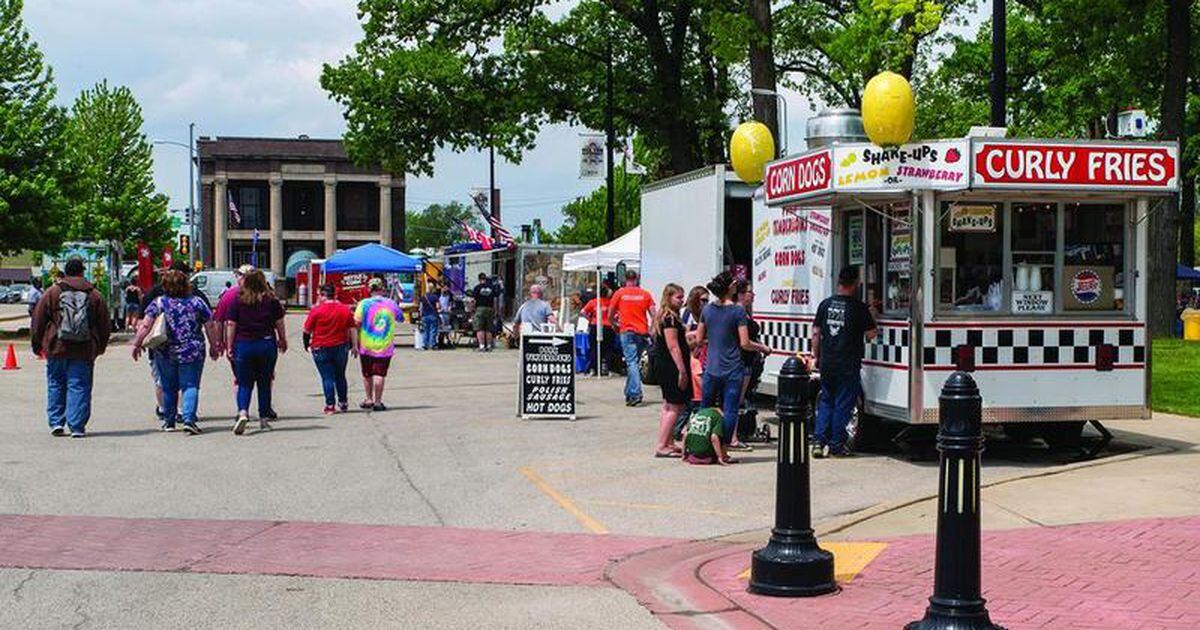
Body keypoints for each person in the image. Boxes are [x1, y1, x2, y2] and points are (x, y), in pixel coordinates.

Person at [30, 258, 111, 438]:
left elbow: (38, 320)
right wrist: (100, 347)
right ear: (83, 272)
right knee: (79, 385)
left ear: (65, 272)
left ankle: (57, 422)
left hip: (56, 346)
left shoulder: (52, 292)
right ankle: (77, 426)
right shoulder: (94, 295)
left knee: (56, 383)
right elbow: (104, 324)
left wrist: (37, 345)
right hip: (84, 349)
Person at [131, 270, 219, 434]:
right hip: (192, 350)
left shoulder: (159, 303)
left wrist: (137, 344)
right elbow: (210, 325)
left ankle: (169, 422)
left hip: (165, 351)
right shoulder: (197, 302)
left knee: (168, 387)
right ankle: (188, 420)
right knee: (190, 385)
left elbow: (145, 325)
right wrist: (214, 345)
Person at [695, 271, 770, 452]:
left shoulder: (708, 310)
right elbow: (745, 343)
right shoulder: (737, 311)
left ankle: (701, 445)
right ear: (730, 288)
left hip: (711, 366)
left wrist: (714, 340)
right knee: (730, 409)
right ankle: (724, 446)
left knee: (705, 407)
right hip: (732, 368)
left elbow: (698, 339)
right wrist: (763, 348)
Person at [811, 266, 878, 458]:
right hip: (848, 363)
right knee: (843, 404)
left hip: (828, 362)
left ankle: (818, 441)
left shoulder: (825, 304)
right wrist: (872, 315)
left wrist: (817, 357)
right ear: (856, 283)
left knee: (826, 401)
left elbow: (816, 333)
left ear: (839, 282)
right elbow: (871, 334)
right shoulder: (859, 308)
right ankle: (836, 445)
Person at [223, 269, 287, 434]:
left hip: (244, 344)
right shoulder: (271, 301)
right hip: (266, 344)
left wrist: (229, 346)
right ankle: (264, 419)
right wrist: (282, 339)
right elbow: (279, 322)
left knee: (244, 382)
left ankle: (243, 411)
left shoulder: (237, 300)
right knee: (264, 382)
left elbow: (231, 324)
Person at [650, 283, 690, 457]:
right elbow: (673, 346)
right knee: (675, 406)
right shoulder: (670, 319)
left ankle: (668, 441)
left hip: (663, 364)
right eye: (678, 297)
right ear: (669, 297)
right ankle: (662, 445)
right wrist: (682, 370)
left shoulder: (665, 316)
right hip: (670, 366)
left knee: (668, 405)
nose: (682, 301)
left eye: (682, 297)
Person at [303, 283, 356, 415]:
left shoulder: (316, 310)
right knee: (340, 375)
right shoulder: (345, 309)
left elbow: (306, 330)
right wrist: (355, 345)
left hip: (321, 346)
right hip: (341, 346)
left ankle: (330, 404)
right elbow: (352, 328)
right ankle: (343, 402)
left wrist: (306, 345)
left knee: (327, 377)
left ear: (323, 295)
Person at [354, 277, 402, 411]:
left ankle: (368, 398)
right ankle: (378, 402)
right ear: (382, 288)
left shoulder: (363, 304)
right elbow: (401, 318)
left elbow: (356, 322)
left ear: (369, 289)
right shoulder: (391, 303)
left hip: (366, 345)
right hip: (385, 346)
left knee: (367, 373)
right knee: (380, 375)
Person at [610, 270, 656, 406]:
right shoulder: (645, 294)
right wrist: (652, 329)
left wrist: (614, 324)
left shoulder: (620, 293)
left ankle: (635, 393)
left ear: (625, 279)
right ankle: (629, 393)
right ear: (637, 278)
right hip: (642, 331)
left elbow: (611, 313)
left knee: (631, 362)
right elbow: (654, 314)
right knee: (634, 363)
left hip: (627, 331)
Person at [581, 286, 618, 375]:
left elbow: (583, 312)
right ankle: (609, 369)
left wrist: (589, 319)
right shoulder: (611, 302)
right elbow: (616, 314)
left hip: (595, 326)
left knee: (594, 348)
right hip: (608, 327)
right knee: (609, 348)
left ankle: (593, 369)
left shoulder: (593, 302)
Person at [471, 273, 499, 351]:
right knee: (489, 328)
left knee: (480, 328)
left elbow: (473, 300)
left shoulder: (477, 287)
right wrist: (496, 310)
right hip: (490, 308)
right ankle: (489, 346)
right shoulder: (492, 287)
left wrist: (472, 310)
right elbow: (495, 299)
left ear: (479, 279)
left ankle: (482, 346)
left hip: (480, 308)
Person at [418, 284, 441, 350]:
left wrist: (420, 316)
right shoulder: (435, 297)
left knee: (425, 330)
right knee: (433, 330)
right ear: (433, 289)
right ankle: (432, 344)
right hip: (433, 315)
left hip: (425, 316)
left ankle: (425, 345)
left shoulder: (423, 297)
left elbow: (420, 308)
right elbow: (438, 306)